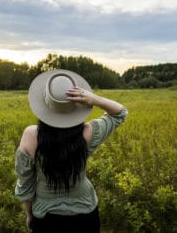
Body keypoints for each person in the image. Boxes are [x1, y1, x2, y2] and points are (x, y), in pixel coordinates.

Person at [15, 69, 128, 233]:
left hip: (46, 217)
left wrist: (29, 215)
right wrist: (94, 99)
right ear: (76, 103)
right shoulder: (88, 132)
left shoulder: (31, 135)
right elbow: (120, 113)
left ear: (44, 105)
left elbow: (25, 184)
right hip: (85, 215)